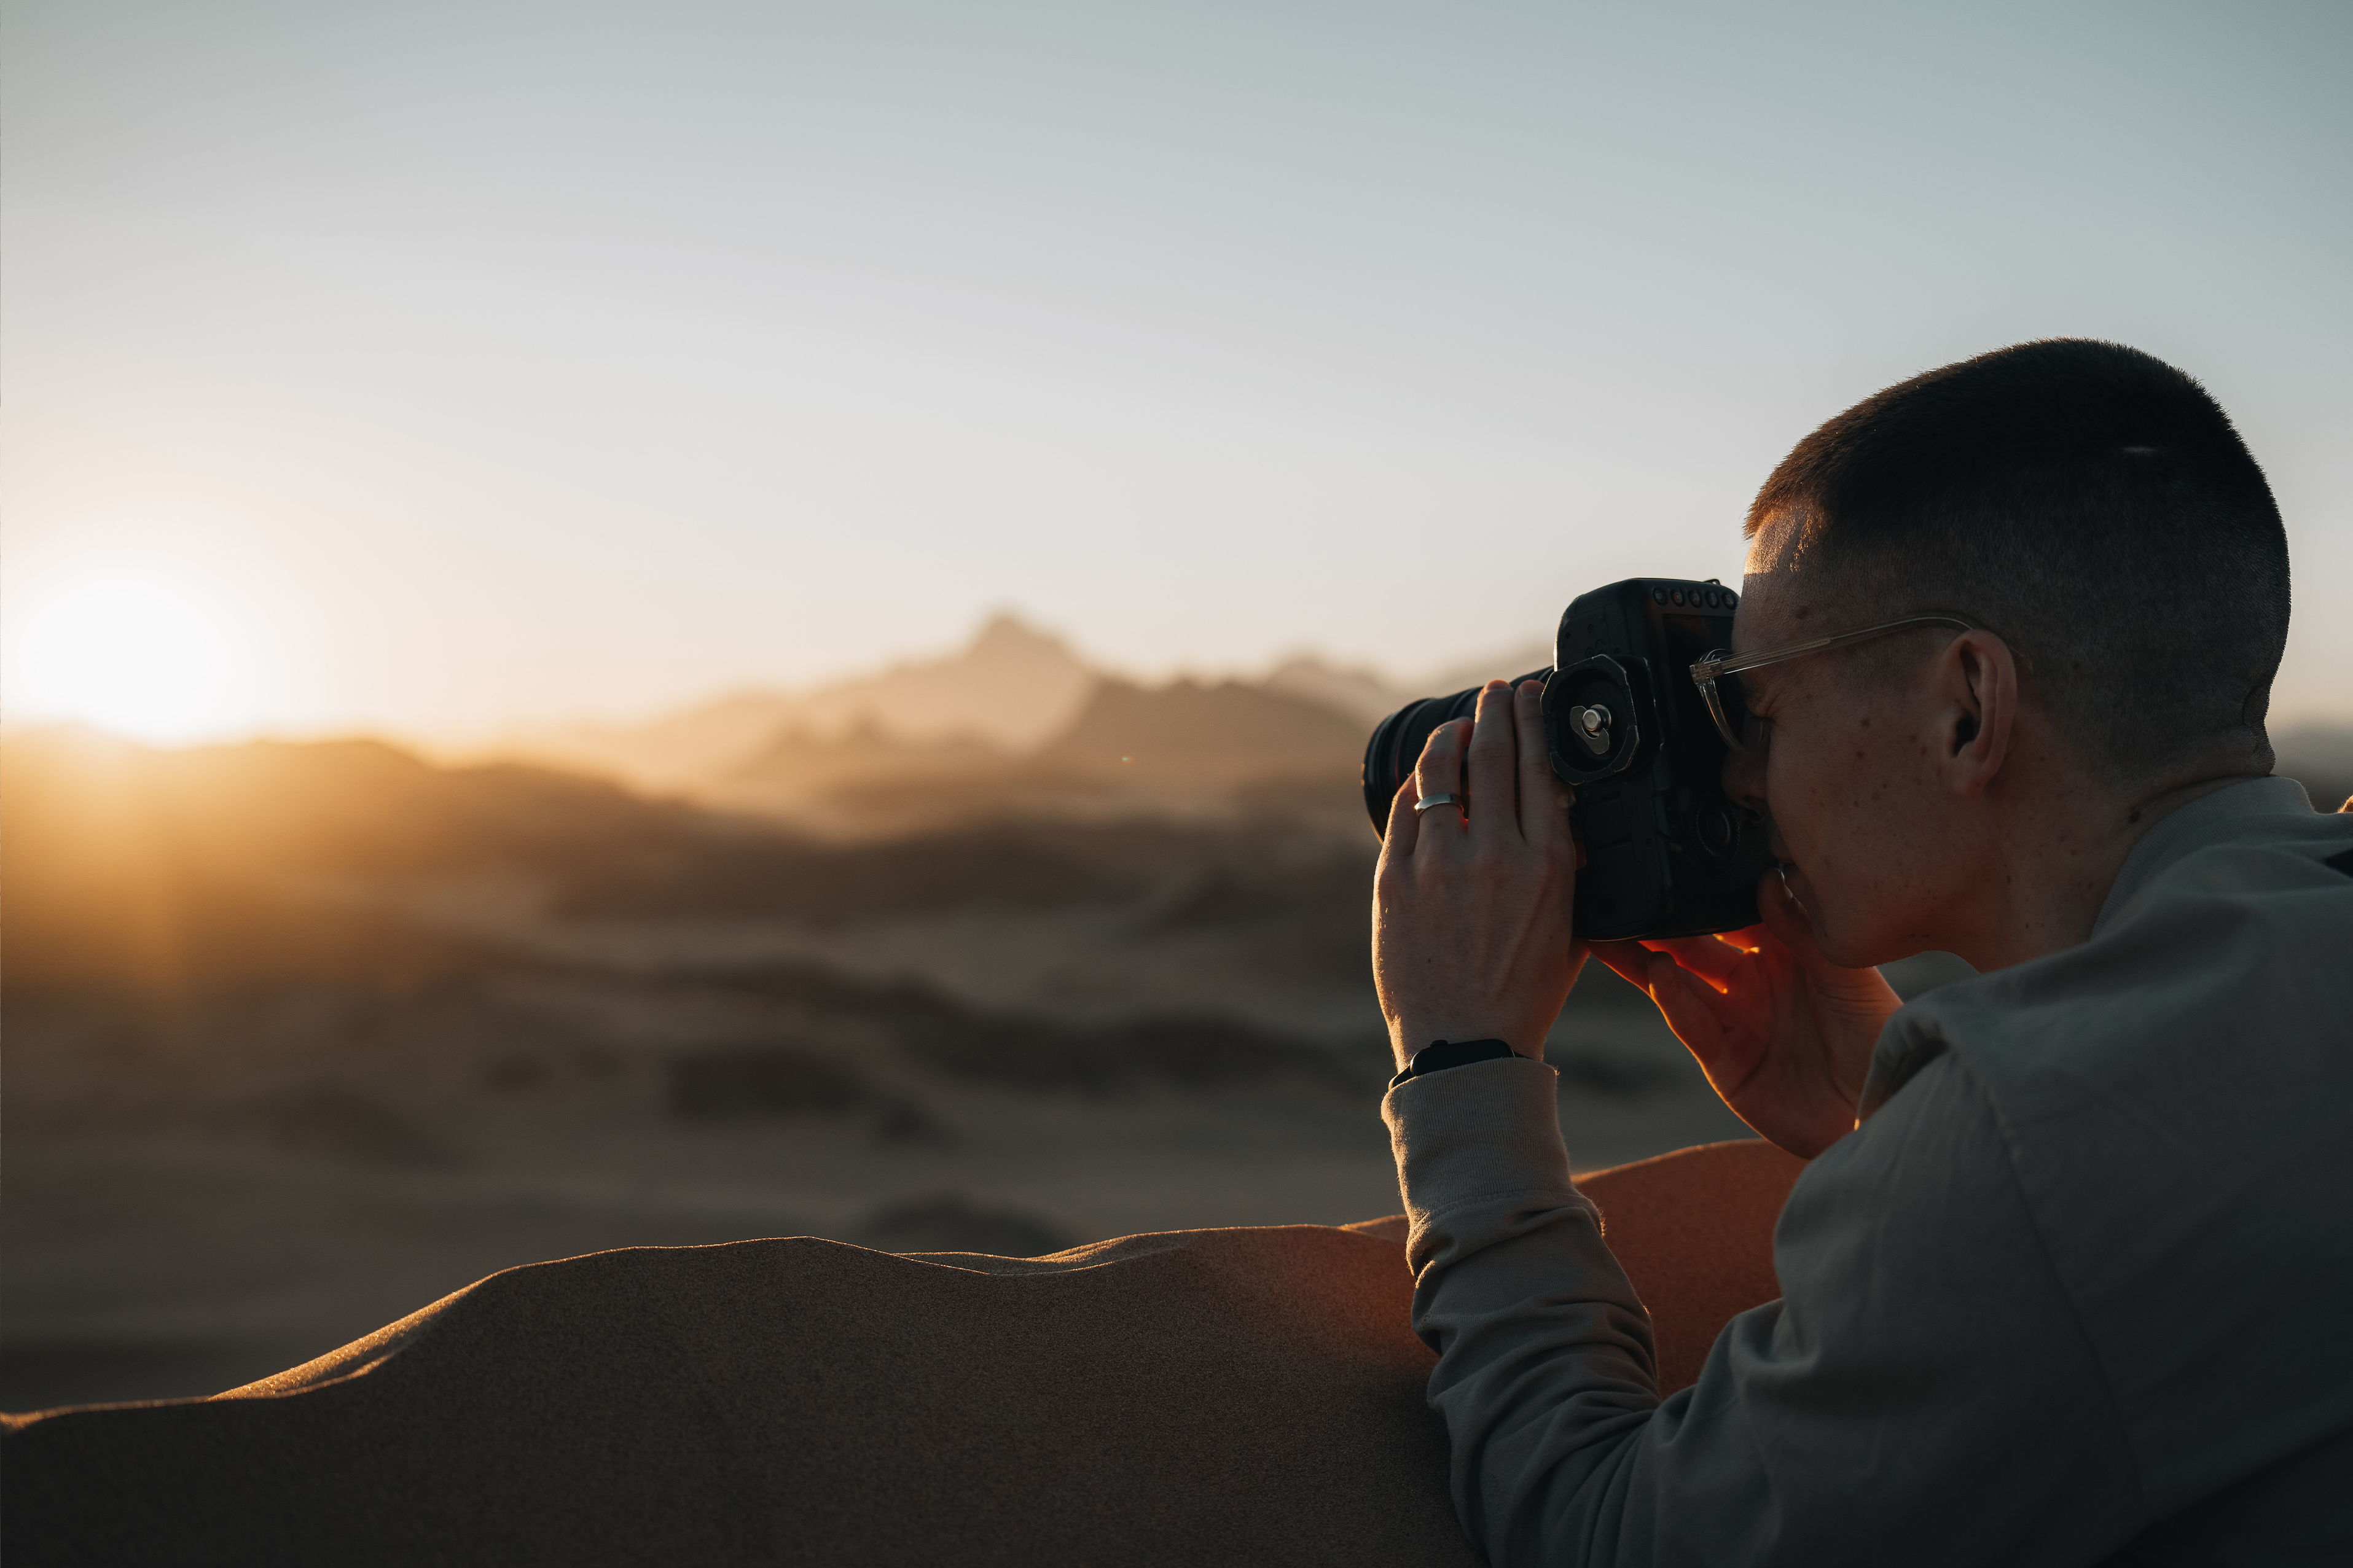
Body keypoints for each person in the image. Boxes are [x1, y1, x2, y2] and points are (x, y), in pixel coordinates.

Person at [1371, 338, 2353, 1564]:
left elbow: (1607, 1534)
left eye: (1759, 704)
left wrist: (1463, 1070)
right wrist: (1882, 1111)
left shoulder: (2038, 1137)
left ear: (1964, 707)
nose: (1741, 773)